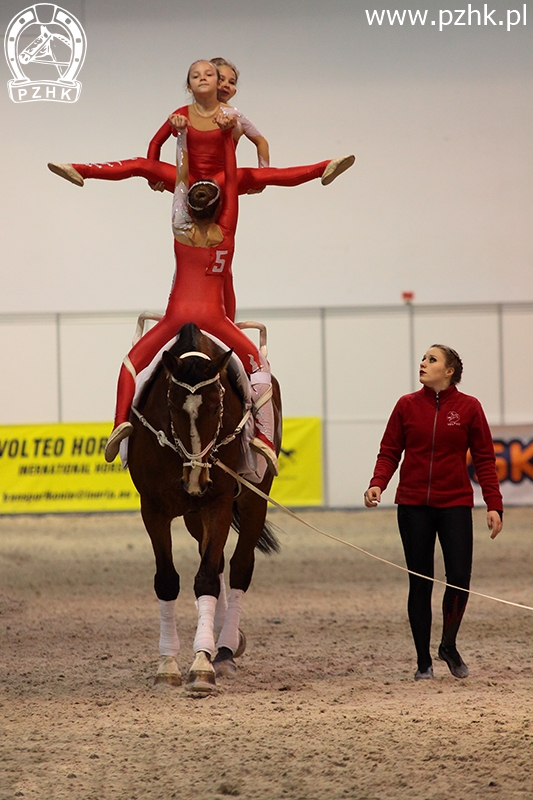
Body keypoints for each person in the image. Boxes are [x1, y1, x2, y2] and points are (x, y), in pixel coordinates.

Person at [104, 111, 279, 477]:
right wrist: (231, 140)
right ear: (220, 207)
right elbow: (232, 181)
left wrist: (181, 140)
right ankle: (263, 436)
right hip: (216, 317)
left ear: (187, 206)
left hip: (175, 318)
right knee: (259, 370)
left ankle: (121, 424)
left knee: (133, 366)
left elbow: (181, 177)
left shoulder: (180, 227)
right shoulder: (226, 229)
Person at [364, 345, 503, 681]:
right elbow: (389, 450)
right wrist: (377, 483)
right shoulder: (406, 405)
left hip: (455, 504)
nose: (423, 364)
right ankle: (422, 661)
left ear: (450, 370)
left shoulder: (470, 408)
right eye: (423, 359)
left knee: (459, 577)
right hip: (412, 506)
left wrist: (494, 504)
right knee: (420, 580)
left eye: (432, 359)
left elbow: (485, 459)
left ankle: (448, 645)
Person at [48, 59, 354, 196]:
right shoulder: (183, 113)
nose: (225, 85)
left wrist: (260, 175)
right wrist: (153, 175)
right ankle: (81, 169)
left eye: (231, 82)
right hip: (187, 178)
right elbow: (154, 145)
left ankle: (324, 167)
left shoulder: (234, 115)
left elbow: (261, 142)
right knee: (139, 164)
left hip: (223, 178)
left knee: (266, 175)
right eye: (220, 79)